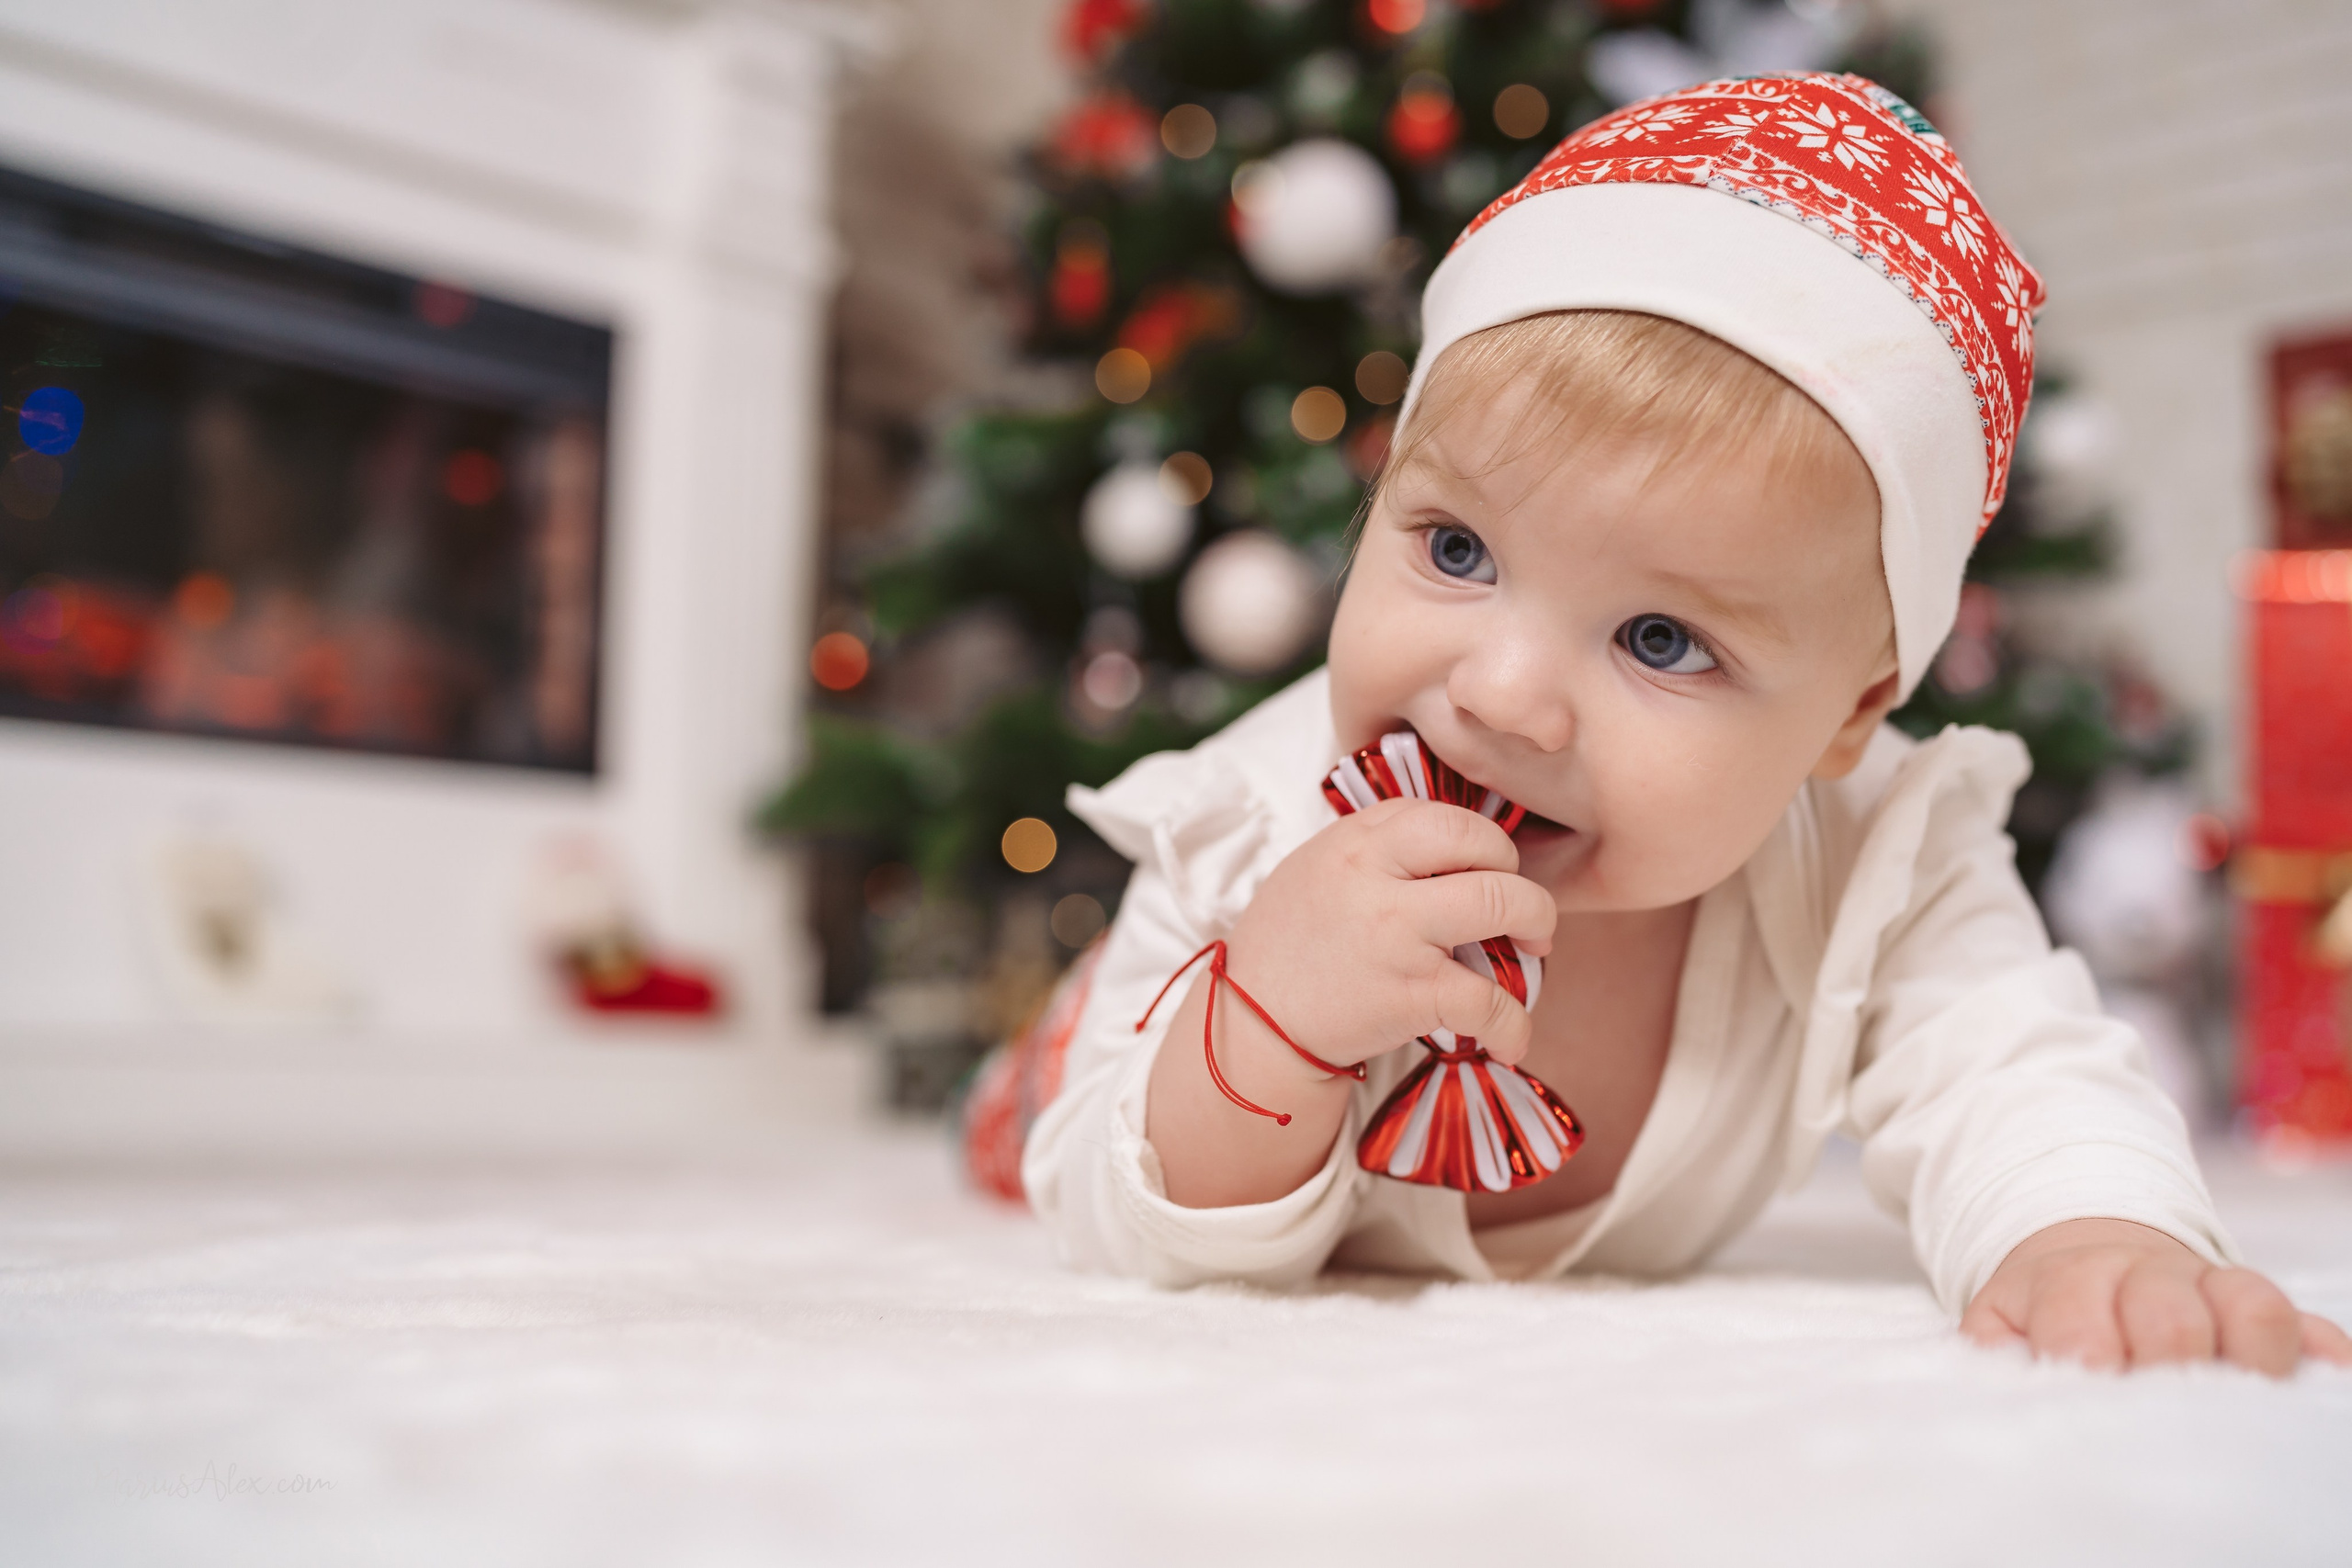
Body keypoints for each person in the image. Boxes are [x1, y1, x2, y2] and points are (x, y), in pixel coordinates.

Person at [1020, 74, 2352, 1375]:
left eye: (1662, 640)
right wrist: (1267, 1027)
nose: (1499, 696)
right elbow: (1117, 1216)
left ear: (1850, 713)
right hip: (1159, 1021)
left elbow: (2006, 1059)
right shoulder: (1246, 823)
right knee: (1056, 1082)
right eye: (1459, 549)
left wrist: (2091, 1235)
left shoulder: (1875, 848)